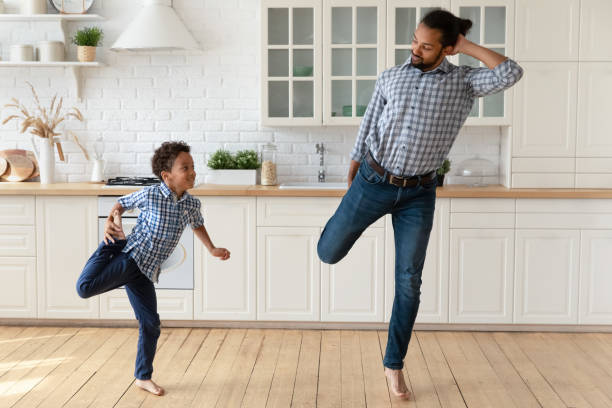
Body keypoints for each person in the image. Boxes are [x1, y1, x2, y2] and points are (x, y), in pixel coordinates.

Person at [317, 9, 523, 399]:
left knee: (409, 281)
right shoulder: (391, 77)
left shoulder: (465, 82)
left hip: (419, 193)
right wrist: (353, 171)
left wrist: (465, 45)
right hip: (373, 181)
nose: (415, 49)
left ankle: (394, 365)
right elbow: (369, 123)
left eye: (426, 45)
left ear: (446, 49)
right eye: (414, 40)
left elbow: (511, 72)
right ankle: (339, 223)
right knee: (327, 253)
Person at [76, 141, 230, 396]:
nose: (192, 172)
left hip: (146, 272)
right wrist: (112, 224)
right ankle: (111, 246)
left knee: (150, 323)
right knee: (84, 289)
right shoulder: (151, 194)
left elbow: (197, 225)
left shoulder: (191, 205)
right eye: (185, 168)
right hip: (130, 259)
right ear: (167, 176)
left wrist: (212, 249)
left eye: (192, 167)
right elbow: (120, 203)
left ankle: (142, 377)